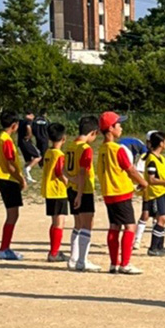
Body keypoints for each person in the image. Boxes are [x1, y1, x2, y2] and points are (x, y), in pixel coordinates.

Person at [96, 111, 149, 275]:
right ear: (111, 128)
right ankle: (125, 263)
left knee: (114, 226)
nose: (121, 128)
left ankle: (114, 263)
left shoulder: (102, 149)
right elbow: (130, 170)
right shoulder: (116, 149)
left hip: (108, 193)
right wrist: (143, 182)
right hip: (120, 191)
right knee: (130, 226)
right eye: (118, 125)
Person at [66, 116, 101, 272]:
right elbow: (82, 172)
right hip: (83, 190)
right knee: (87, 224)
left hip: (71, 189)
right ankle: (82, 260)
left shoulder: (70, 146)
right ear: (93, 132)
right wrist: (80, 194)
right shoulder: (86, 149)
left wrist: (71, 180)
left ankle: (73, 258)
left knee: (77, 224)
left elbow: (63, 170)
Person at [0, 111, 27, 260]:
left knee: (13, 215)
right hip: (8, 180)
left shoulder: (2, 138)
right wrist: (21, 179)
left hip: (5, 179)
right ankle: (4, 248)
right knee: (12, 215)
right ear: (14, 125)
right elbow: (9, 165)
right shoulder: (6, 140)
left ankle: (5, 247)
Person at [42, 123, 70, 263]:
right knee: (60, 221)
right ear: (63, 138)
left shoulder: (48, 152)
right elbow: (59, 171)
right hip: (58, 191)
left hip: (48, 190)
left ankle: (54, 250)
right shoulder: (59, 154)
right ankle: (54, 253)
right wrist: (67, 182)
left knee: (54, 222)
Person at [134, 131, 159, 250]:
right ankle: (137, 240)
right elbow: (138, 171)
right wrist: (141, 183)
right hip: (148, 191)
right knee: (145, 214)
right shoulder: (144, 157)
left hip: (158, 191)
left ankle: (155, 241)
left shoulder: (159, 158)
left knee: (157, 216)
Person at [18, 110, 41, 183]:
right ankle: (28, 168)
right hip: (26, 141)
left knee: (28, 160)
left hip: (20, 142)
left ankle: (27, 177)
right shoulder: (28, 121)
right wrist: (29, 135)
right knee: (38, 156)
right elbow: (28, 127)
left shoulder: (21, 121)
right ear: (30, 115)